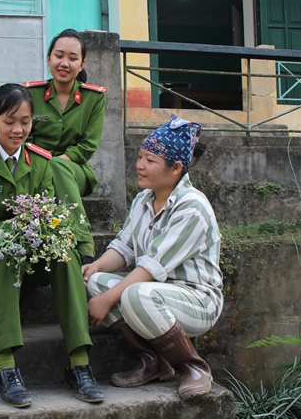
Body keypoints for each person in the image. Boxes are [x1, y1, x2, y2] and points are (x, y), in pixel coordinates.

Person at [0, 83, 104, 408]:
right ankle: (3, 367)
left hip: (29, 249)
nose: (18, 129)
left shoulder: (40, 161)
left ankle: (79, 363)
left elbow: (46, 211)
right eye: (9, 121)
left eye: (26, 121)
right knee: (8, 251)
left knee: (64, 253)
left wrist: (44, 232)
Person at [83, 115, 223, 400]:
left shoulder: (191, 207)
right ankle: (152, 361)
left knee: (135, 293)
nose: (140, 165)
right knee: (95, 282)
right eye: (140, 157)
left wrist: (108, 300)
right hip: (153, 292)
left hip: (197, 300)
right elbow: (124, 249)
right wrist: (94, 266)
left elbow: (150, 267)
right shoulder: (143, 199)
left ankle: (194, 367)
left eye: (150, 160)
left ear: (176, 168)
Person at [23, 28, 107, 265]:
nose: (64, 63)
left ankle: (82, 238)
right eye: (59, 55)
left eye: (73, 58)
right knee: (53, 167)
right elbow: (24, 140)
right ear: (49, 58)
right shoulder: (31, 93)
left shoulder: (94, 98)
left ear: (82, 65)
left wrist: (56, 163)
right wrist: (43, 164)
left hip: (76, 171)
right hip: (34, 168)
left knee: (59, 166)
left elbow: (87, 145)